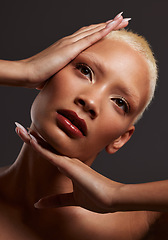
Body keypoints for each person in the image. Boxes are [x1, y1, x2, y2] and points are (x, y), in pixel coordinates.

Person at [0, 12, 167, 239]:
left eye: (120, 103)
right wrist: (23, 70)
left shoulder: (141, 227)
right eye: (85, 71)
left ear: (121, 138)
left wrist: (117, 195)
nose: (90, 101)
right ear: (49, 72)